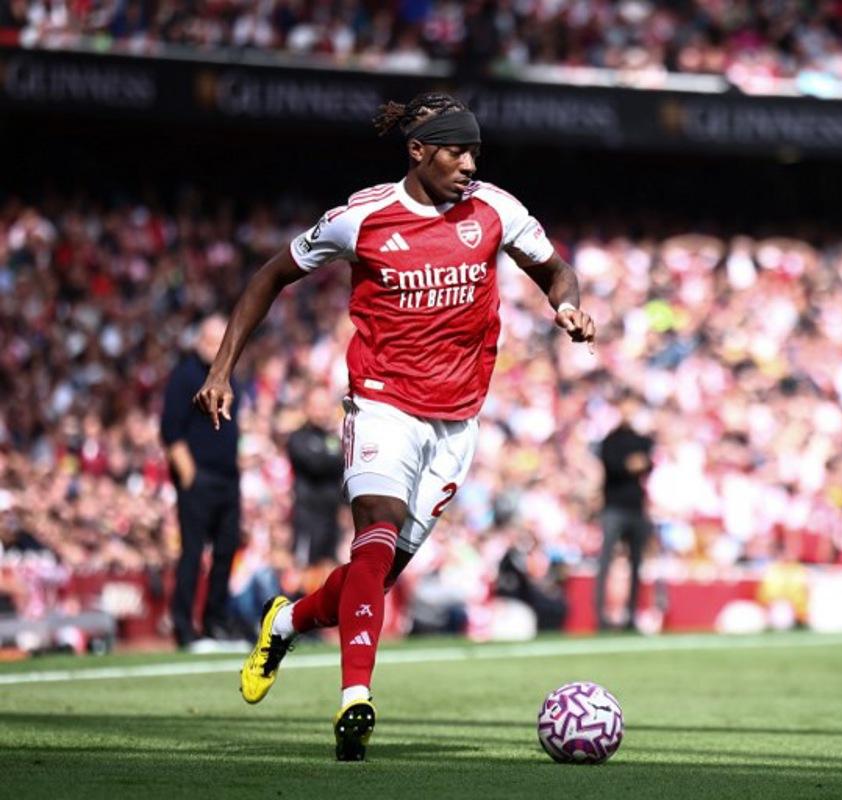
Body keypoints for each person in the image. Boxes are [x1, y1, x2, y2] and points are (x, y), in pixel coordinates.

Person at [192, 91, 596, 761]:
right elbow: (270, 276)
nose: (469, 164)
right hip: (382, 405)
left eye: (475, 152)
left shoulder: (495, 211)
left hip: (456, 424)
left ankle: (287, 621)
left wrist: (569, 307)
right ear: (418, 151)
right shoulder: (363, 217)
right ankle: (356, 699)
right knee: (374, 534)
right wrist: (220, 369)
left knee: (371, 580)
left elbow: (554, 268)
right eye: (456, 151)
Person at [160, 315, 242, 650]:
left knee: (226, 551)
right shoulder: (185, 376)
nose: (216, 347)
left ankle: (215, 622)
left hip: (227, 477)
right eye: (211, 340)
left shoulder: (228, 375)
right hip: (199, 478)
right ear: (199, 341)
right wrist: (188, 475)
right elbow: (171, 430)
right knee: (192, 553)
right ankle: (184, 627)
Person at [595, 391, 654, 631]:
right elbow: (616, 466)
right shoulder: (611, 440)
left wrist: (634, 464)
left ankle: (630, 616)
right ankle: (601, 617)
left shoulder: (642, 440)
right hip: (614, 508)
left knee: (636, 563)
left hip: (635, 508)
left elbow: (646, 464)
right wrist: (633, 464)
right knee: (606, 562)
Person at [286, 387, 346, 568]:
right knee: (303, 572)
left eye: (325, 406)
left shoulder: (333, 439)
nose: (322, 412)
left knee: (328, 573)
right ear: (307, 408)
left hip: (331, 518)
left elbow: (344, 464)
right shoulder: (298, 438)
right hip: (307, 518)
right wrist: (334, 459)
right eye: (317, 406)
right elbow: (315, 464)